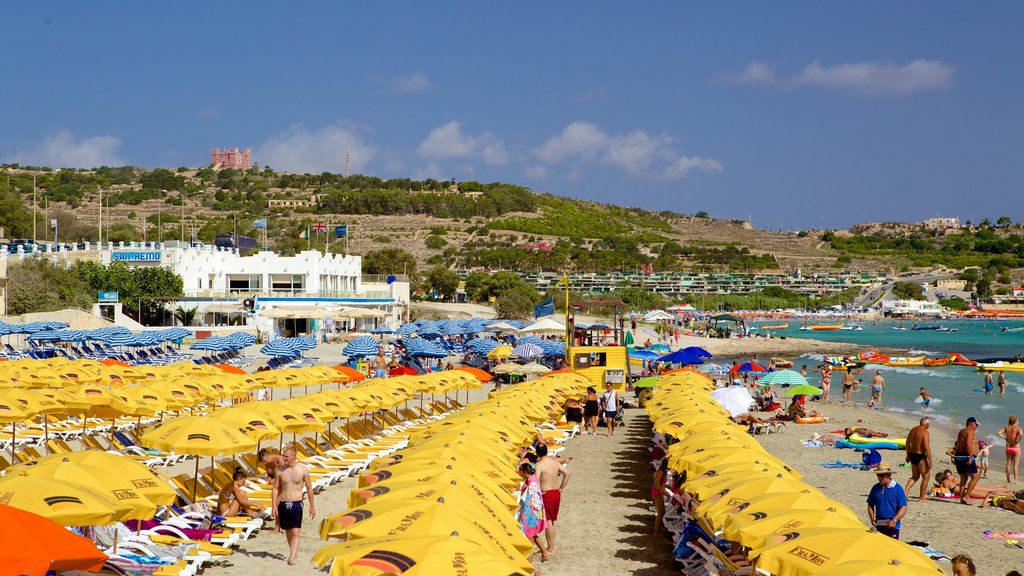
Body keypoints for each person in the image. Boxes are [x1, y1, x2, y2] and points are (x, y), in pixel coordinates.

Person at [271, 445, 316, 565]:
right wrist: (274, 505)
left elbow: (309, 489)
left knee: (296, 531)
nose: (284, 458)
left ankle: (291, 557)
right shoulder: (280, 471)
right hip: (283, 503)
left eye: (286, 456)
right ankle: (293, 551)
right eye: (283, 456)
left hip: (297, 503)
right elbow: (275, 489)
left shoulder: (303, 470)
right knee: (288, 530)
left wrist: (312, 506)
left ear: (294, 456)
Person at [535, 444, 570, 557]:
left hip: (546, 494)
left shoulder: (539, 465)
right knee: (552, 522)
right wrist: (561, 488)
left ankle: (551, 548)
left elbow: (535, 481)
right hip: (555, 493)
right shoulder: (554, 463)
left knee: (548, 523)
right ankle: (551, 546)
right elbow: (567, 473)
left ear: (537, 453)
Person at [515, 461, 550, 561]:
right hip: (535, 512)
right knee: (533, 534)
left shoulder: (532, 483)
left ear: (524, 472)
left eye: (520, 472)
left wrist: (523, 515)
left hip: (531, 513)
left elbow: (529, 501)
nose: (519, 474)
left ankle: (530, 558)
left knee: (529, 533)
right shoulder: (532, 480)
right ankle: (544, 553)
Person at [866, 466, 907, 540]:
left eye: (882, 475)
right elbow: (870, 504)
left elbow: (903, 507)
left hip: (893, 525)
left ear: (889, 475)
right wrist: (872, 517)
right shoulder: (875, 488)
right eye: (878, 475)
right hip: (879, 523)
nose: (879, 478)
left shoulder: (898, 489)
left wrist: (894, 520)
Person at [954, 417, 982, 505]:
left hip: (959, 455)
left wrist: (955, 457)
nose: (976, 426)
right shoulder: (970, 431)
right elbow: (968, 443)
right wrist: (970, 457)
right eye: (976, 424)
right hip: (966, 456)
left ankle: (962, 499)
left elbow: (958, 444)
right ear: (971, 424)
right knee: (976, 477)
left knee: (964, 478)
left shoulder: (961, 431)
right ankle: (966, 496)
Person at [905, 417, 933, 502]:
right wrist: (930, 460)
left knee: (915, 476)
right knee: (926, 477)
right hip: (920, 456)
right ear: (927, 424)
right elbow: (926, 447)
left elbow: (907, 442)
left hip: (912, 454)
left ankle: (905, 491)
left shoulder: (913, 429)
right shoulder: (925, 432)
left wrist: (908, 454)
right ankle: (921, 497)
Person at [997, 415, 1022, 484]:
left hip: (1008, 448)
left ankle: (1008, 479)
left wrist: (1005, 438)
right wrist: (1019, 440)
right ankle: (1015, 480)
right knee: (1015, 465)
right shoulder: (1018, 428)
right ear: (1015, 421)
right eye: (1018, 421)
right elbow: (1021, 434)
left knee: (1008, 463)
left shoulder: (1006, 428)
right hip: (1016, 448)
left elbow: (998, 433)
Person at [652, 459, 669, 534]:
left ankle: (657, 530)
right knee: (661, 513)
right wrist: (664, 491)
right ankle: (656, 532)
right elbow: (656, 484)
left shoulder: (661, 471)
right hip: (657, 493)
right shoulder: (661, 472)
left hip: (657, 493)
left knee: (662, 512)